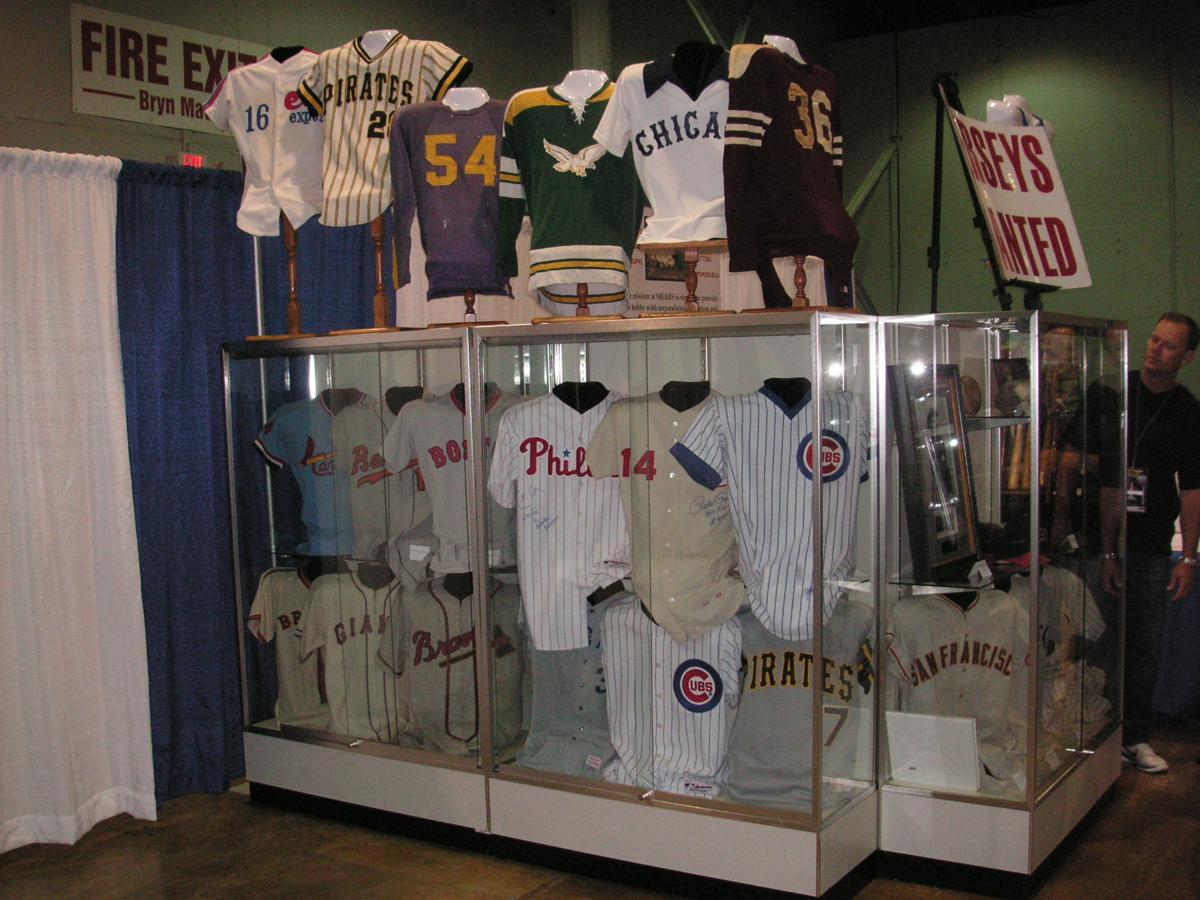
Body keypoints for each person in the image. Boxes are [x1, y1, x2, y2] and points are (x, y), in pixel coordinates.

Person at [1074, 313, 1200, 774]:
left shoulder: (1187, 412)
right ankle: (1089, 734)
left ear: (1187, 357)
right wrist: (1102, 546)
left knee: (1145, 645)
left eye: (1168, 346)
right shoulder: (1112, 393)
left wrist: (1188, 557)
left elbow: (1193, 489)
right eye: (1154, 340)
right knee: (1094, 640)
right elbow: (1077, 460)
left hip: (1149, 543)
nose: (1155, 349)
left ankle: (1135, 737)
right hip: (1095, 538)